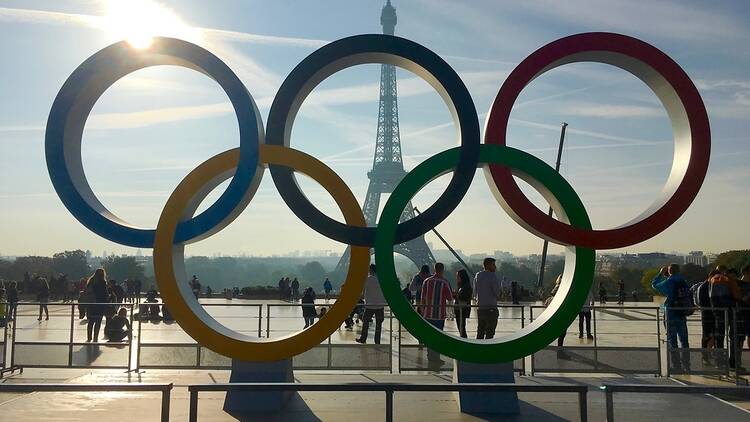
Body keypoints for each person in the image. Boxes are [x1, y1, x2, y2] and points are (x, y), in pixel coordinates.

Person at [652, 264, 691, 372]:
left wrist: (660, 273)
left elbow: (654, 285)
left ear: (669, 271)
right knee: (684, 340)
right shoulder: (684, 281)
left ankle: (676, 365)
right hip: (682, 313)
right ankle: (686, 365)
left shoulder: (669, 282)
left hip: (671, 313)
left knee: (672, 340)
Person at [420, 262, 454, 368]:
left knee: (430, 336)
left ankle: (430, 355)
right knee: (438, 337)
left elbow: (422, 298)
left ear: (434, 269)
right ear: (442, 270)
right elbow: (450, 298)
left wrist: (423, 310)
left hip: (428, 314)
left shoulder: (426, 281)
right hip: (439, 315)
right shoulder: (444, 282)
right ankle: (436, 357)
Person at [693, 270, 718, 365]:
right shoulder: (704, 287)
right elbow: (703, 302)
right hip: (707, 314)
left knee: (713, 336)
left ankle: (709, 354)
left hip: (711, 314)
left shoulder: (707, 286)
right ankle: (705, 356)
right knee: (707, 336)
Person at [356, 264, 386, 344]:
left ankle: (363, 339)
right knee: (378, 325)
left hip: (370, 305)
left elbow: (362, 289)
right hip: (380, 305)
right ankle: (377, 341)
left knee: (365, 323)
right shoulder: (381, 279)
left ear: (370, 270)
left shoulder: (368, 279)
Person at [473, 258, 500, 340]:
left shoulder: (477, 276)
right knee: (490, 333)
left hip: (481, 308)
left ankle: (478, 350)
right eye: (493, 265)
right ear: (488, 266)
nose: (495, 267)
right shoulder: (492, 276)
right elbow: (496, 292)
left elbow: (474, 293)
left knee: (480, 332)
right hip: (491, 308)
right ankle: (488, 351)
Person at [86, 268, 109, 342]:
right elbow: (105, 294)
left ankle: (89, 337)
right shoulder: (102, 282)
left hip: (91, 304)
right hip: (100, 304)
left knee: (91, 321)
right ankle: (95, 337)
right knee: (98, 322)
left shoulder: (91, 281)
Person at [454, 269, 472, 338]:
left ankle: (464, 340)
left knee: (461, 328)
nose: (456, 278)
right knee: (461, 327)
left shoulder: (466, 286)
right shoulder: (462, 286)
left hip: (462, 310)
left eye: (458, 276)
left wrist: (456, 295)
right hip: (459, 309)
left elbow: (464, 297)